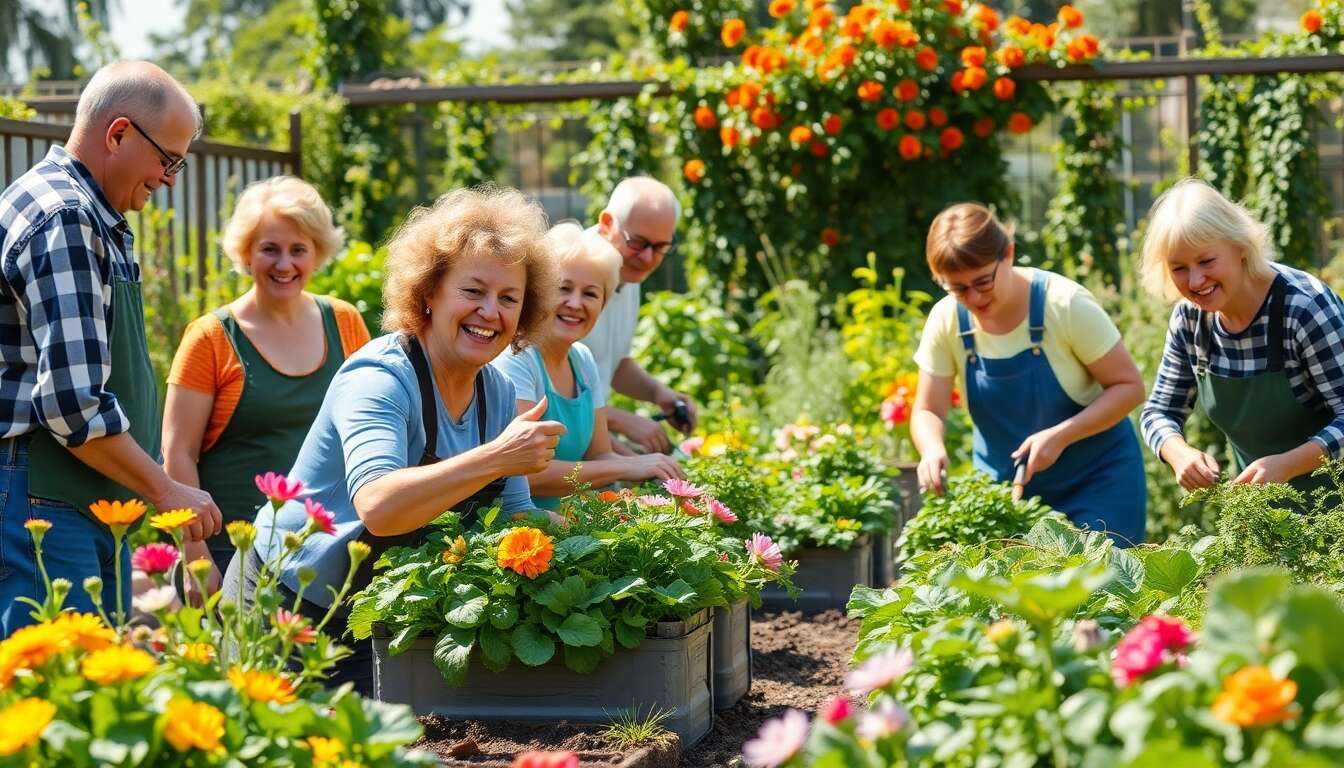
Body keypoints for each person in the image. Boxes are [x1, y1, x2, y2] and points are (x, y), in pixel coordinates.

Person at [225, 186, 564, 694]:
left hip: (375, 609)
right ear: (429, 292)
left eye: (508, 298)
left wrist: (610, 531)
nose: (490, 312)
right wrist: (496, 457)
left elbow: (514, 515)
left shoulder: (496, 391)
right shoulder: (380, 377)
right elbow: (379, 505)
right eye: (473, 291)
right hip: (286, 600)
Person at [0, 61, 223, 634]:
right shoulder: (66, 218)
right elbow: (72, 404)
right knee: (58, 693)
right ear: (118, 132)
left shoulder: (95, 215)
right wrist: (166, 489)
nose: (171, 177)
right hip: (43, 499)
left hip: (83, 498)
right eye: (167, 159)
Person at [162, 177, 371, 591]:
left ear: (318, 252)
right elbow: (177, 453)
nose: (284, 264)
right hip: (231, 550)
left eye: (298, 250)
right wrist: (196, 559)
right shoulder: (211, 337)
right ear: (245, 252)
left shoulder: (345, 323)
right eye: (269, 249)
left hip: (328, 550)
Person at [910, 203, 1148, 545]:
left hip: (1098, 483)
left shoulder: (1064, 305)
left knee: (1099, 593)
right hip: (1009, 492)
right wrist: (931, 448)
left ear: (1008, 252)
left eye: (982, 281)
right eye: (958, 289)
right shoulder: (947, 319)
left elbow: (1129, 387)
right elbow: (928, 409)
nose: (973, 298)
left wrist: (1061, 435)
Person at [1139, 178, 1344, 503]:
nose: (1195, 281)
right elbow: (1159, 411)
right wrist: (1178, 453)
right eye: (1179, 268)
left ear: (1240, 246)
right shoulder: (1190, 319)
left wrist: (1289, 465)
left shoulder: (1303, 308)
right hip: (1261, 521)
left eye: (1207, 262)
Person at [493, 223, 685, 507]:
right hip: (521, 535)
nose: (575, 303)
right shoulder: (518, 358)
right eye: (563, 288)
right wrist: (628, 467)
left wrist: (651, 468)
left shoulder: (582, 361)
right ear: (540, 293)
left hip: (572, 528)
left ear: (604, 304)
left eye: (591, 294)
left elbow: (599, 455)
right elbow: (522, 475)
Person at [586, 177, 700, 454]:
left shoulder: (627, 273)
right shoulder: (570, 278)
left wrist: (659, 394)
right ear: (606, 223)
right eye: (638, 242)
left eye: (661, 247)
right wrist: (616, 426)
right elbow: (545, 392)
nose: (648, 258)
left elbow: (610, 362)